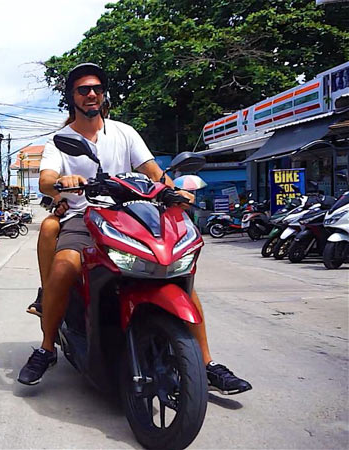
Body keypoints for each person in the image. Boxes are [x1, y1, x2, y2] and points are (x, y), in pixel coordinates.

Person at [18, 63, 252, 396]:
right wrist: (62, 183)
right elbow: (45, 180)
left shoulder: (124, 133)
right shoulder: (61, 141)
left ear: (103, 93)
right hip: (84, 217)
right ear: (72, 97)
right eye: (83, 89)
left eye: (96, 88)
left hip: (132, 216)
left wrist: (175, 192)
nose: (91, 94)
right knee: (65, 264)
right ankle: (46, 348)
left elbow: (154, 171)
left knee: (175, 272)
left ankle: (207, 362)